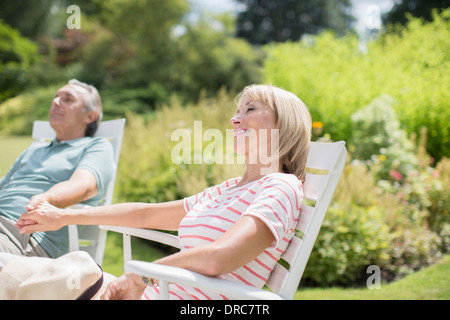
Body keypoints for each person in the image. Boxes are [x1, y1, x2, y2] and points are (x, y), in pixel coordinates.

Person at [16, 84, 312, 300]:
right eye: (236, 112)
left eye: (250, 110)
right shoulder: (228, 189)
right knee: (31, 275)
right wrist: (64, 217)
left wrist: (144, 273)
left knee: (60, 276)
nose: (235, 119)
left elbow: (218, 258)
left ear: (282, 126)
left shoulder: (280, 186)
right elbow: (145, 213)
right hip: (155, 293)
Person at [0, 79, 115, 259]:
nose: (55, 102)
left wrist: (46, 199)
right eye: (56, 97)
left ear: (90, 116)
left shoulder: (96, 146)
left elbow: (84, 186)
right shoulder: (34, 149)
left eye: (68, 99)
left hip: (24, 235)